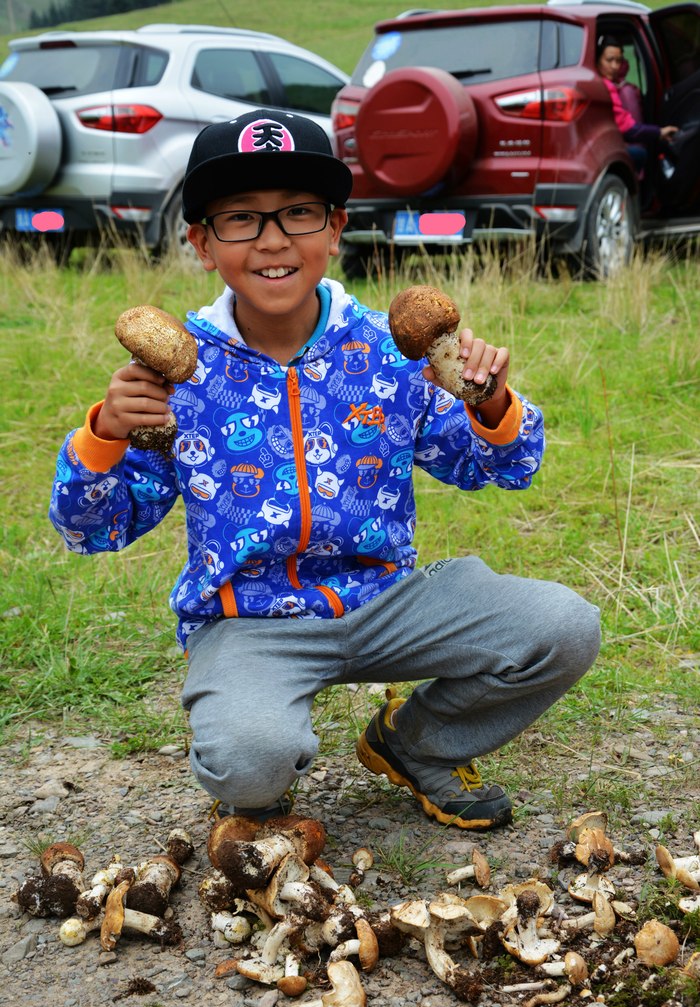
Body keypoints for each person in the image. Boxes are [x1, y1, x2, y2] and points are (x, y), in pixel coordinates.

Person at [49, 109, 601, 832]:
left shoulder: (390, 351)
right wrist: (103, 436)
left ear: (335, 230)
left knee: (563, 626)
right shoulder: (174, 374)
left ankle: (416, 744)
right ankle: (260, 761)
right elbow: (96, 528)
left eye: (299, 214)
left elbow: (500, 468)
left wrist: (490, 401)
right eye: (241, 219)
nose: (273, 239)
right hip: (249, 621)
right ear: (201, 243)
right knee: (250, 763)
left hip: (388, 602)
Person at [596, 35, 678, 182]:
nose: (615, 66)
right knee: (640, 154)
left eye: (619, 61)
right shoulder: (606, 87)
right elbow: (628, 129)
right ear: (597, 60)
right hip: (604, 149)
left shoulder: (608, 83)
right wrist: (659, 132)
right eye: (609, 60)